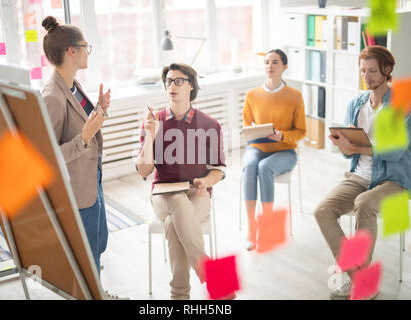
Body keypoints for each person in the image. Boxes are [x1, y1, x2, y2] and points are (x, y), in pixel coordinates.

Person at [313, 45, 411, 300]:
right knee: (322, 210)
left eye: (372, 71)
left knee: (364, 203)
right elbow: (350, 154)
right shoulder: (357, 103)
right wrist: (343, 144)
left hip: (393, 180)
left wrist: (354, 145)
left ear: (387, 70)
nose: (366, 76)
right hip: (358, 176)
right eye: (362, 71)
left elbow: (394, 152)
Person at [135, 63, 233, 300]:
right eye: (169, 81)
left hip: (197, 193)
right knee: (177, 203)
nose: (172, 86)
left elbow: (218, 171)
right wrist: (150, 136)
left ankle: (178, 296)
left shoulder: (210, 125)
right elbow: (144, 171)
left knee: (172, 224)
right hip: (163, 194)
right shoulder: (154, 122)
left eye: (179, 81)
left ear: (191, 86)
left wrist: (204, 181)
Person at [40, 16, 110, 278]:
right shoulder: (52, 97)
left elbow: (83, 124)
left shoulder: (71, 84)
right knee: (87, 255)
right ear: (71, 51)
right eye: (85, 46)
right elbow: (47, 158)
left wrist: (100, 109)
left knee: (99, 241)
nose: (87, 51)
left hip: (92, 178)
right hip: (75, 189)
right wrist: (82, 139)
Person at [242, 49, 306, 250]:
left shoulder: (295, 96)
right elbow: (246, 126)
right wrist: (254, 133)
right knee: (251, 165)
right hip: (257, 146)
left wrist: (282, 136)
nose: (270, 66)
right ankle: (252, 227)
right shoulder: (252, 95)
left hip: (285, 151)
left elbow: (301, 131)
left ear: (284, 67)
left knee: (264, 168)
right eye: (267, 62)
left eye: (275, 62)